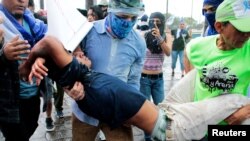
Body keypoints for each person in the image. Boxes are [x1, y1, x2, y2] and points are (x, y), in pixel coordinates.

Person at [19, 35, 250, 141]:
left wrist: (37, 60)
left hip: (165, 109)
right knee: (237, 101)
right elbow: (49, 42)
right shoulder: (89, 88)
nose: (79, 55)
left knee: (201, 75)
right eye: (72, 56)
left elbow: (51, 46)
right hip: (172, 127)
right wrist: (31, 62)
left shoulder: (89, 84)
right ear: (70, 71)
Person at [70, 0, 147, 141]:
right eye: (122, 17)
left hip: (117, 110)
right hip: (84, 109)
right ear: (110, 11)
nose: (128, 22)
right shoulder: (87, 31)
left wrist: (130, 109)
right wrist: (71, 87)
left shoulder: (139, 43)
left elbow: (133, 80)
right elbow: (70, 62)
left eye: (133, 18)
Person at [0, 0, 48, 140]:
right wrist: (4, 56)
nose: (22, 1)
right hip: (10, 103)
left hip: (34, 95)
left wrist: (41, 56)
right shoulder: (1, 23)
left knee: (30, 128)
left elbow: (50, 45)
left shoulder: (34, 23)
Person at [139, 12, 171, 141]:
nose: (155, 24)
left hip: (158, 79)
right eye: (153, 21)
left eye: (159, 21)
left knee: (162, 110)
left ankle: (161, 136)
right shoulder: (143, 36)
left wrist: (159, 38)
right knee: (145, 112)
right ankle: (148, 138)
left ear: (162, 22)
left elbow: (168, 52)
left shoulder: (166, 36)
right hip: (144, 79)